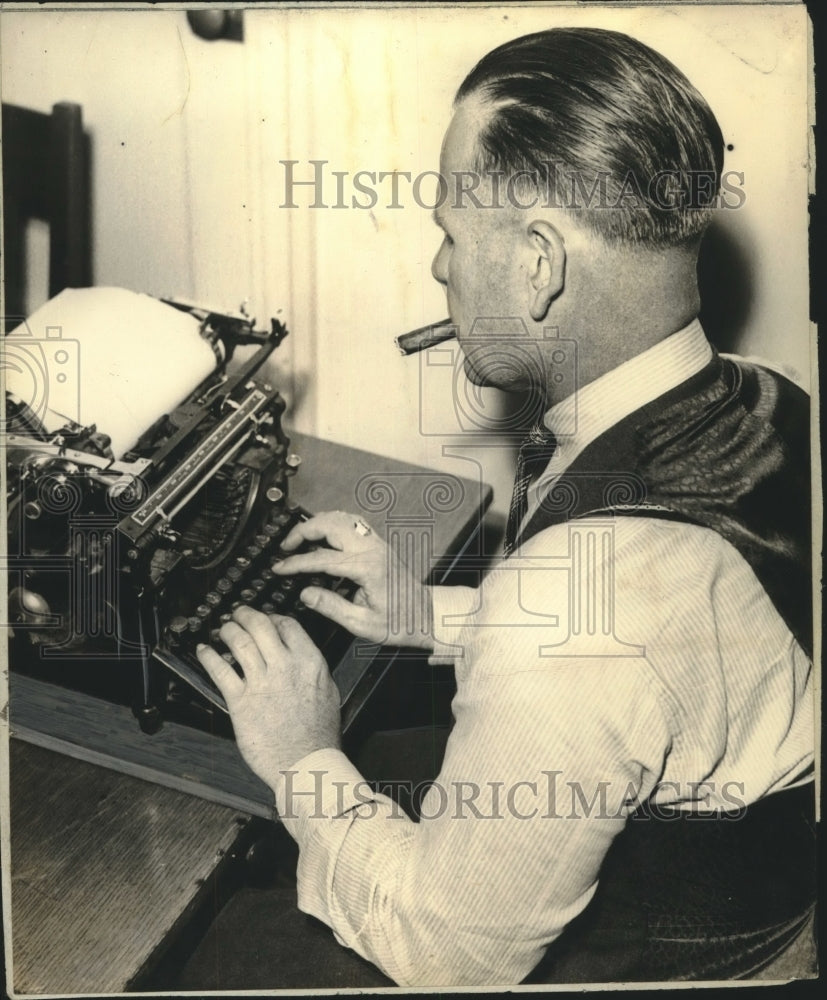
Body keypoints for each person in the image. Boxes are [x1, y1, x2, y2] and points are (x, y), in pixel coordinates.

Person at [195, 27, 814, 986]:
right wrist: (426, 613)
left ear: (537, 264)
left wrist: (299, 757)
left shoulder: (586, 604)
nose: (440, 270)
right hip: (748, 870)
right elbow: (683, 652)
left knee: (216, 942)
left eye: (450, 234)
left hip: (668, 957)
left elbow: (452, 957)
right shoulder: (762, 400)